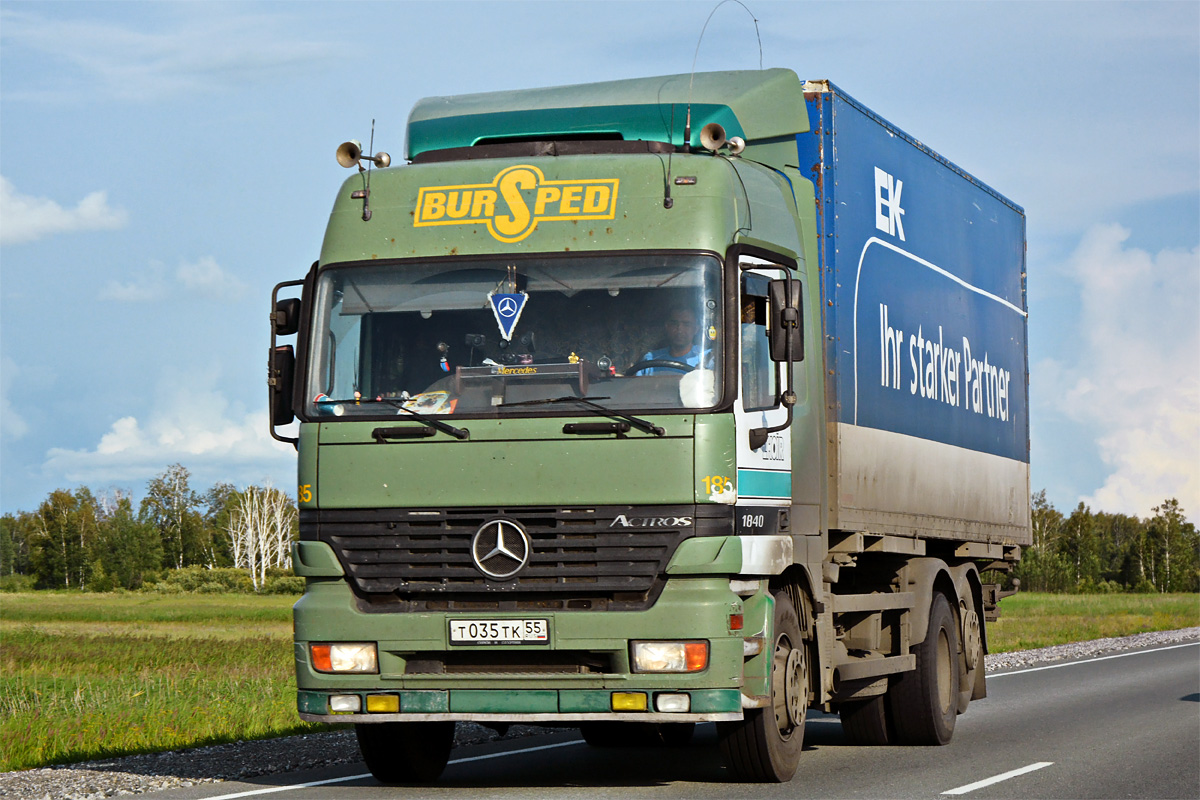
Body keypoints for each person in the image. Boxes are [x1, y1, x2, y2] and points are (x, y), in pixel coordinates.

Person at [639, 305, 706, 374]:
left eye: (686, 324)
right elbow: (636, 383)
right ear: (667, 327)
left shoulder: (705, 358)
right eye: (674, 324)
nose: (679, 330)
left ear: (696, 329)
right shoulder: (650, 360)